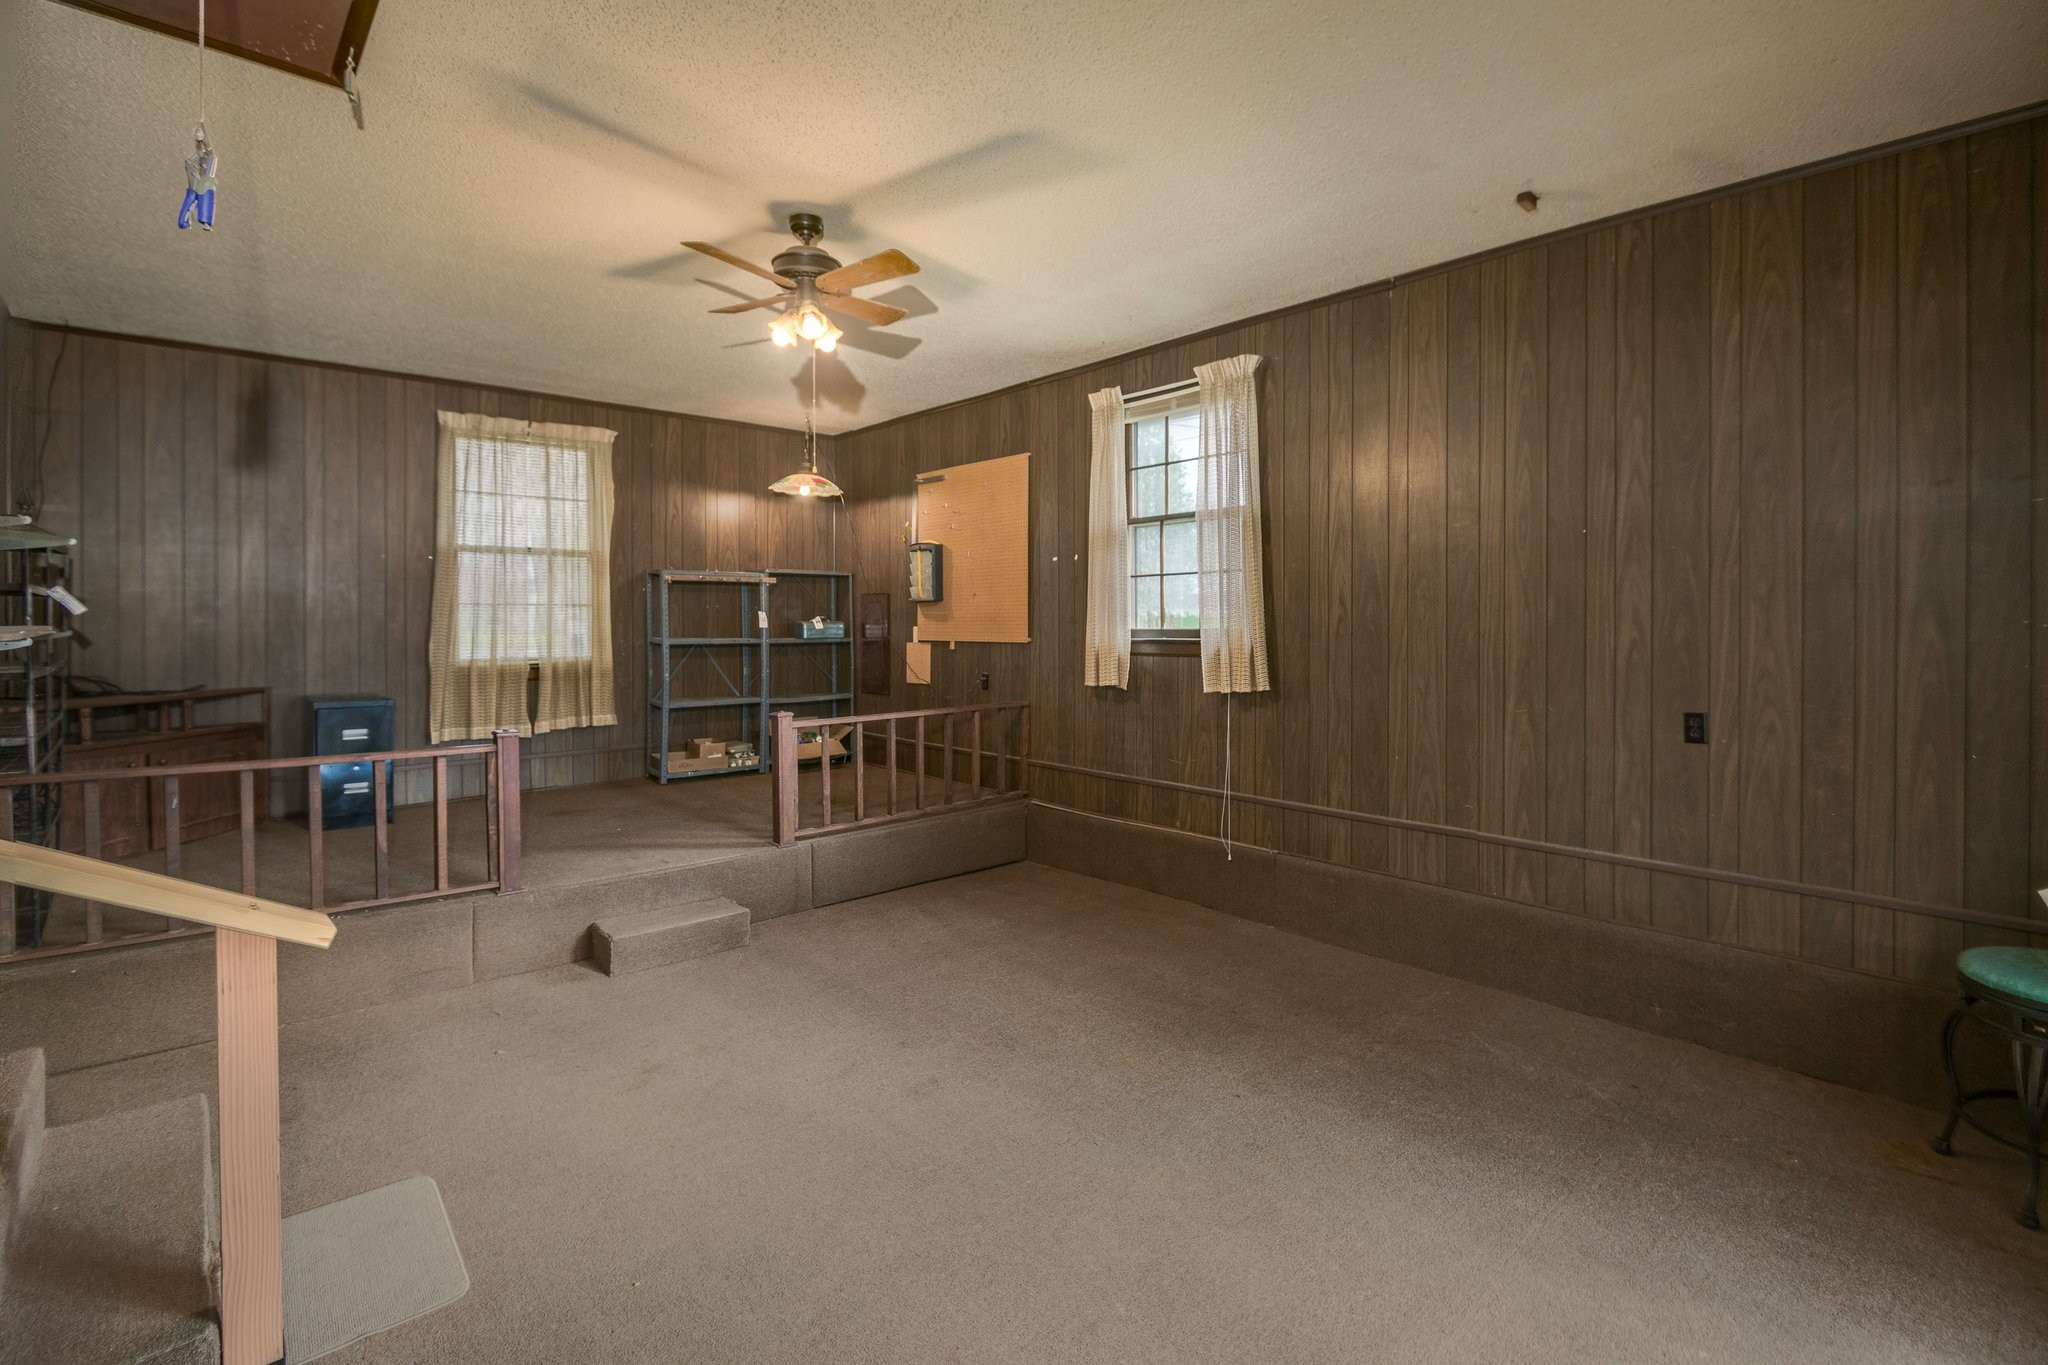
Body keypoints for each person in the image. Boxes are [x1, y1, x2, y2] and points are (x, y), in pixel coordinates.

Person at [178, 128, 216, 231]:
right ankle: (186, 223)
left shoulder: (205, 157)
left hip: (202, 177)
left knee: (196, 195)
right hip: (198, 174)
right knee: (197, 194)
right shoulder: (198, 160)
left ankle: (187, 223)